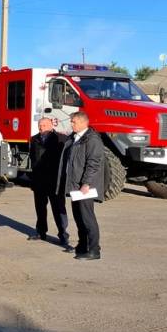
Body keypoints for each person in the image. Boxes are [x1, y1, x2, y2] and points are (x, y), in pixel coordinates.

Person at [57, 111, 105, 261]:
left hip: (85, 187)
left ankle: (94, 249)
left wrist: (86, 183)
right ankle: (82, 245)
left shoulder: (92, 139)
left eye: (74, 122)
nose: (71, 124)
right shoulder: (74, 138)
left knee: (87, 218)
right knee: (78, 217)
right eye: (71, 122)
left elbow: (94, 163)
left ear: (84, 122)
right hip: (74, 186)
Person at [29, 118, 71, 250]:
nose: (41, 127)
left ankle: (63, 235)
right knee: (40, 208)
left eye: (44, 125)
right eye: (39, 125)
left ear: (51, 125)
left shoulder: (61, 138)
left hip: (55, 180)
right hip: (39, 180)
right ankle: (41, 232)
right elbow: (32, 157)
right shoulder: (34, 139)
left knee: (58, 209)